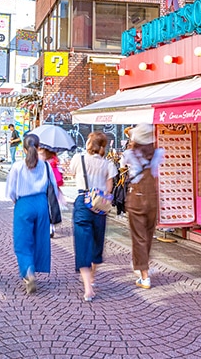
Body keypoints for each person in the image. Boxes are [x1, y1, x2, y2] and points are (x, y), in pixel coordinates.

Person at [5, 133, 60, 294]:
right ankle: (35, 266)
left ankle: (28, 270)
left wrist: (16, 201)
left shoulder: (17, 166)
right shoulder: (46, 166)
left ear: (23, 148)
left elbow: (10, 191)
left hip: (23, 204)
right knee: (39, 240)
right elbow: (54, 188)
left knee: (22, 242)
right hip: (41, 204)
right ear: (38, 147)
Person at [66, 132, 117, 302]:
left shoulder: (78, 158)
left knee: (82, 243)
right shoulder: (108, 164)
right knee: (97, 242)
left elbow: (72, 174)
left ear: (89, 143)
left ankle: (88, 287)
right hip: (99, 205)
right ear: (104, 146)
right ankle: (93, 278)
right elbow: (109, 189)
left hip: (82, 201)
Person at [120, 123, 163, 289]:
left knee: (139, 236)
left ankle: (144, 275)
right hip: (152, 197)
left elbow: (122, 167)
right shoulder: (158, 153)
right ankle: (141, 266)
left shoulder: (129, 154)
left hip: (136, 198)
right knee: (148, 234)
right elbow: (156, 174)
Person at [41, 147, 64, 238]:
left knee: (47, 207)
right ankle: (51, 226)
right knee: (52, 206)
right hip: (52, 185)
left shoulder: (44, 161)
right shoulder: (54, 158)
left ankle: (49, 226)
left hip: (47, 185)